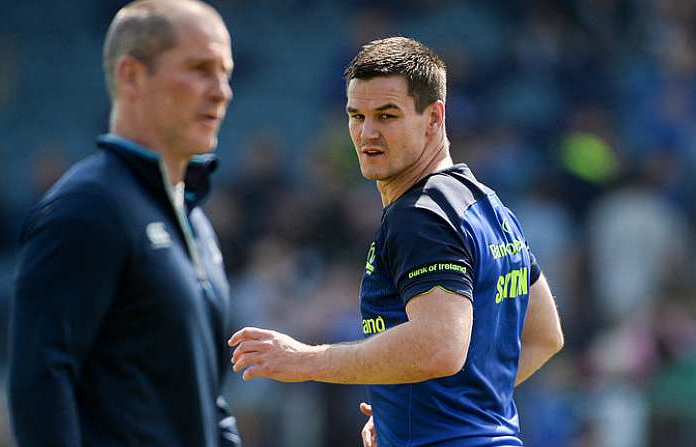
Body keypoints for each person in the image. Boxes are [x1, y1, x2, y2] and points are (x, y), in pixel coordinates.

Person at [229, 37, 564, 447]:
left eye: (387, 115)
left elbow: (439, 346)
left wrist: (304, 361)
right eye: (357, 115)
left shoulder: (419, 215)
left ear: (434, 118)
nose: (367, 132)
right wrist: (416, 410)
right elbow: (546, 335)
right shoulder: (488, 207)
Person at [8, 1, 240, 446]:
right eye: (199, 68)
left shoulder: (195, 220)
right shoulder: (86, 208)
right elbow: (40, 380)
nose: (221, 90)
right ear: (131, 75)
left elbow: (205, 398)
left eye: (225, 72)